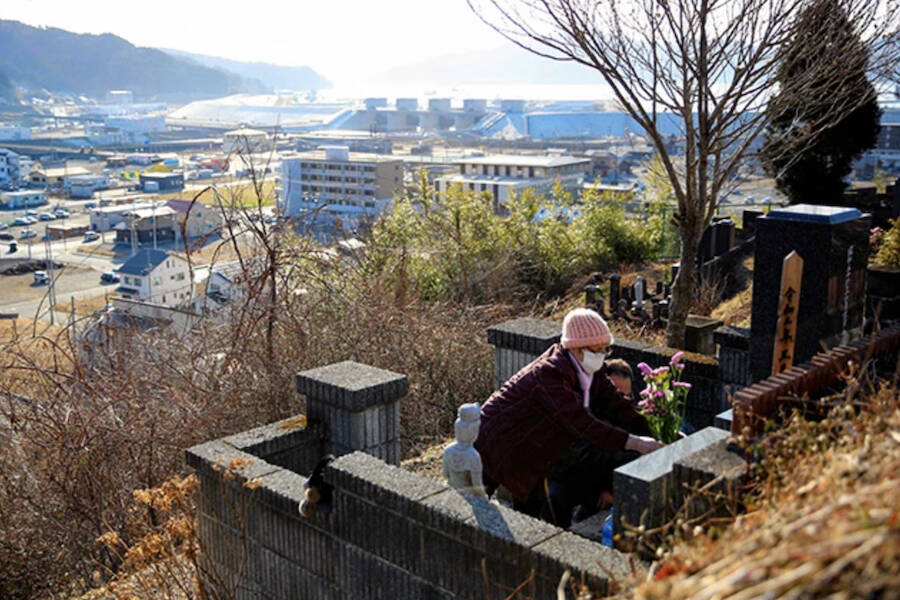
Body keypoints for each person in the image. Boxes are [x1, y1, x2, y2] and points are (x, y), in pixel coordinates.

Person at [475, 308, 665, 527]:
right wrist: (635, 443)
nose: (602, 355)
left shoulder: (591, 371)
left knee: (529, 510)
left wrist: (655, 428)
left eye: (606, 349)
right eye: (597, 349)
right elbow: (582, 423)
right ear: (575, 348)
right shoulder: (550, 374)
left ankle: (525, 547)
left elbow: (617, 406)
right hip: (496, 441)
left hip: (535, 448)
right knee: (478, 509)